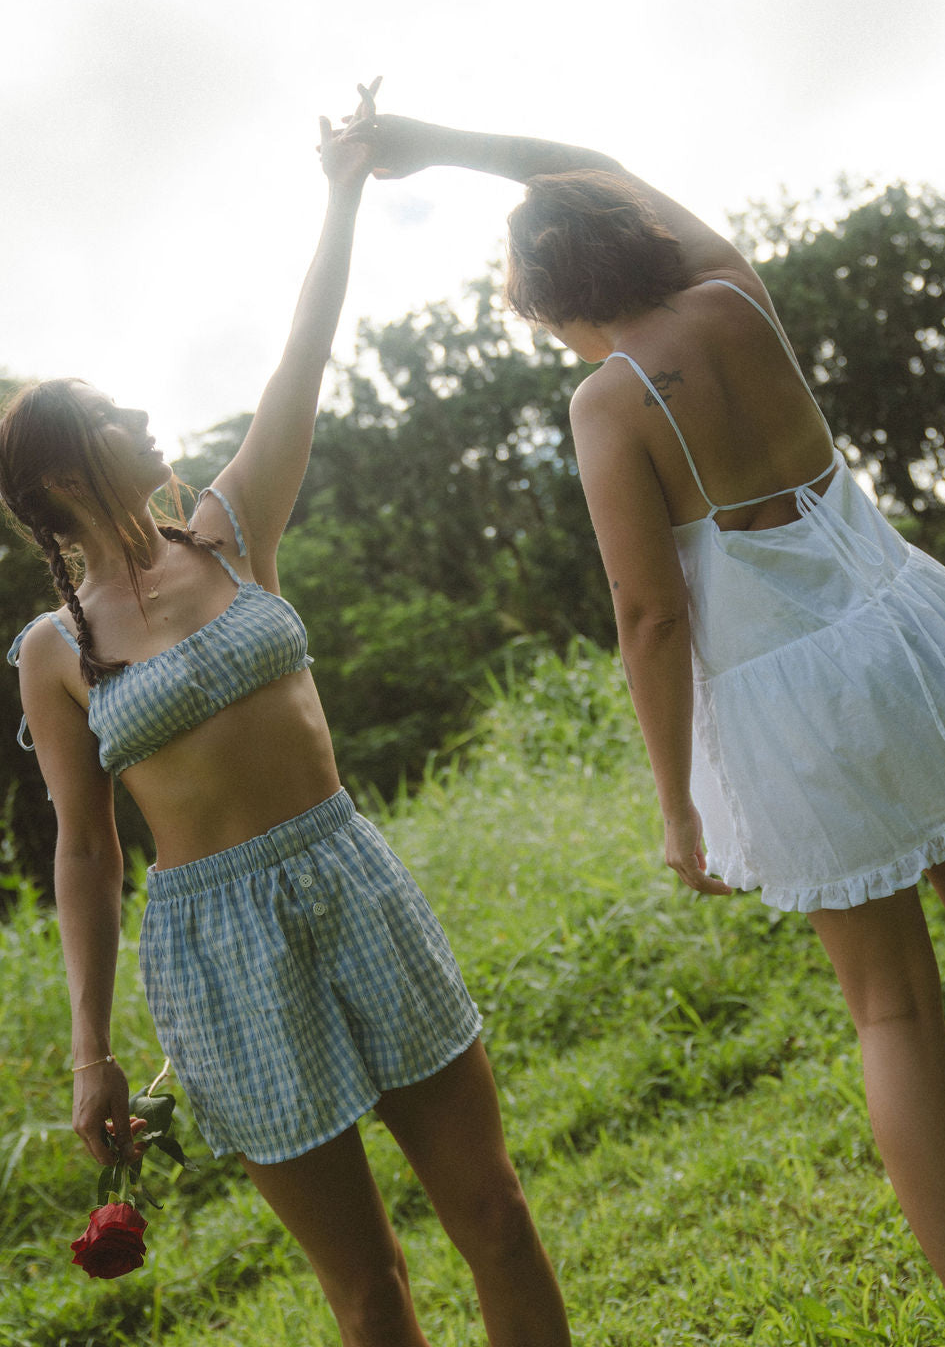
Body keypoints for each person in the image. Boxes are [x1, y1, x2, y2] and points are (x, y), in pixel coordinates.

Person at [344, 107, 945, 1347]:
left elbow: (648, 614)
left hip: (804, 712)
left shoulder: (609, 402)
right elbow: (585, 159)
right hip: (928, 647)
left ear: (551, 301)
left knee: (892, 1014)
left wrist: (678, 802)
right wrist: (424, 139)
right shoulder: (736, 296)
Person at [0, 86, 571, 1347]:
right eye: (113, 417)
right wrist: (90, 1051)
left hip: (347, 876)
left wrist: (345, 189)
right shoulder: (54, 652)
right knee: (366, 1290)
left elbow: (300, 353)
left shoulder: (232, 524)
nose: (149, 422)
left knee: (497, 1216)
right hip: (212, 948)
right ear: (52, 475)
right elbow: (86, 856)